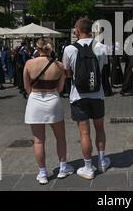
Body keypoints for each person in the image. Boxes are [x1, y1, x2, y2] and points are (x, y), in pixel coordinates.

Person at [63, 18, 111, 180]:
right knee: (100, 129)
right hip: (97, 94)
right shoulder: (101, 47)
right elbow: (102, 68)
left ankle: (88, 167)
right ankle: (102, 161)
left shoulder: (69, 49)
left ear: (77, 29)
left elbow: (67, 72)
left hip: (78, 96)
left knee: (84, 133)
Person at [23, 38, 73, 185]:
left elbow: (27, 88)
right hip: (53, 101)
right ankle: (63, 168)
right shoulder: (59, 65)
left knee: (38, 141)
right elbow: (60, 88)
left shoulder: (29, 64)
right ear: (51, 48)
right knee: (60, 137)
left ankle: (43, 173)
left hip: (35, 101)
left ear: (37, 48)